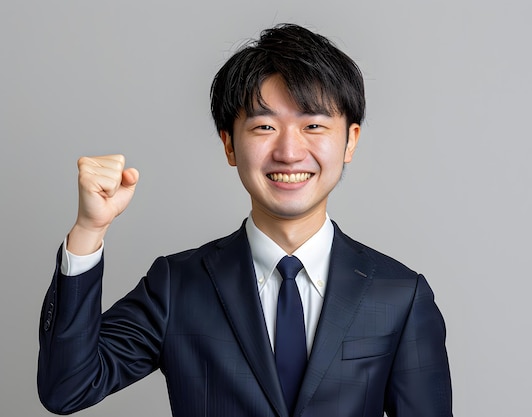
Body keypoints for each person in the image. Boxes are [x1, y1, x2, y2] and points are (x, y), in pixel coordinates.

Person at [37, 23, 453, 417]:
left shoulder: (400, 295)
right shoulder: (177, 285)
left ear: (350, 141)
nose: (289, 152)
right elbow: (68, 387)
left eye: (313, 125)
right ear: (229, 145)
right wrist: (89, 231)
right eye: (264, 126)